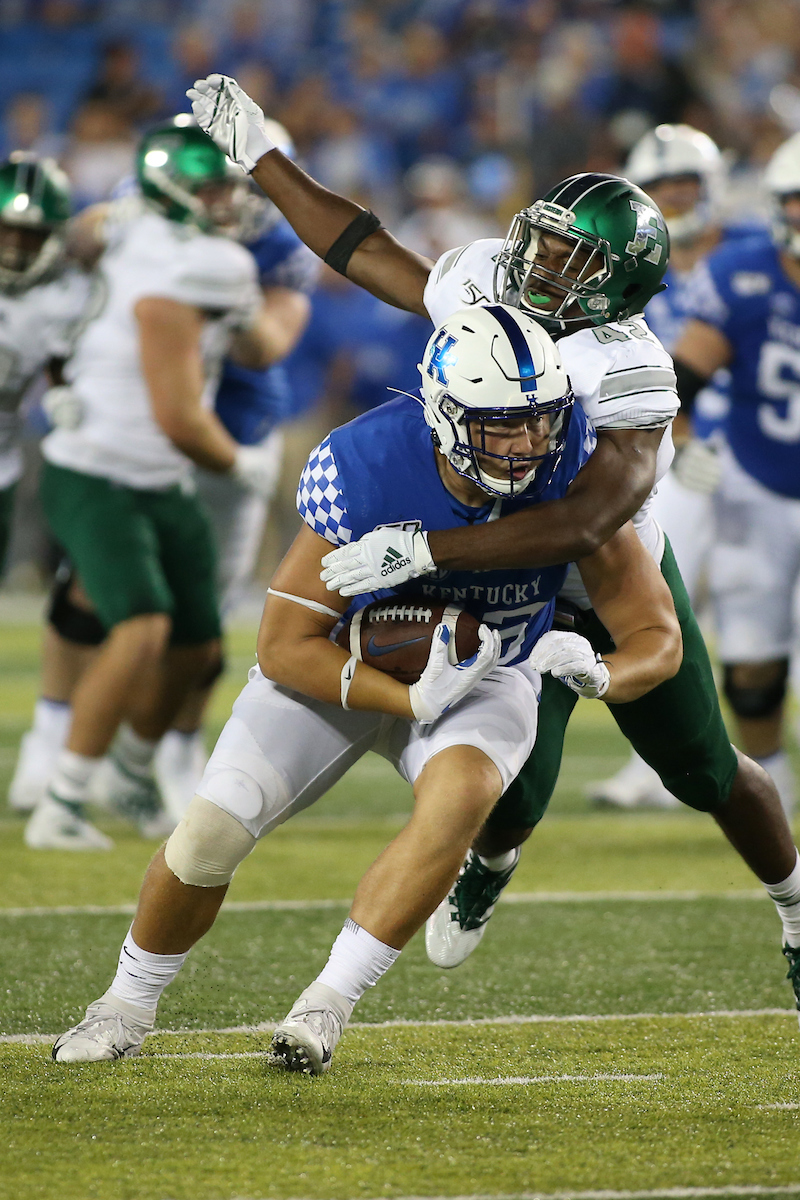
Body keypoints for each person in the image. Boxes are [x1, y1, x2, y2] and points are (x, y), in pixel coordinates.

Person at [181, 75, 800, 1006]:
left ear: (618, 286)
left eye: (570, 256)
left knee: (706, 769)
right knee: (506, 788)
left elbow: (588, 522)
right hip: (496, 564)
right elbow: (367, 252)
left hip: (598, 572)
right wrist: (264, 156)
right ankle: (490, 865)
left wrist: (427, 553)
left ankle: (795, 908)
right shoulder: (482, 280)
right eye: (544, 238)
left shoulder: (632, 368)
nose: (539, 260)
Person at [51, 305, 682, 1071]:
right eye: (500, 426)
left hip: (492, 672)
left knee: (459, 799)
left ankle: (326, 1005)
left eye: (538, 422)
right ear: (446, 417)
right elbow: (283, 647)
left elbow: (658, 635)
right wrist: (406, 699)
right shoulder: (366, 464)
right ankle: (123, 1004)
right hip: (347, 666)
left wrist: (604, 672)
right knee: (213, 830)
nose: (525, 444)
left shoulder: (575, 466)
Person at [8, 120, 320, 822]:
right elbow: (81, 242)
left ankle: (162, 755)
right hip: (136, 434)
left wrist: (221, 297)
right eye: (219, 184)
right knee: (93, 591)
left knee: (199, 617)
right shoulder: (151, 209)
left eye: (252, 182)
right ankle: (53, 740)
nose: (238, 199)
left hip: (232, 429)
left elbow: (266, 346)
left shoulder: (264, 244)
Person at [588, 123, 730, 810]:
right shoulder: (624, 264)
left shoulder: (749, 259)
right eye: (663, 188)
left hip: (753, 455)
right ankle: (662, 758)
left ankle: (742, 756)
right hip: (672, 458)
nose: (676, 199)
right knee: (663, 600)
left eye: (687, 185)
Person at [670, 129, 800, 824]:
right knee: (751, 663)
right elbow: (681, 381)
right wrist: (683, 441)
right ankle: (774, 792)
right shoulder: (742, 273)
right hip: (756, 478)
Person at [0, 153, 89, 576]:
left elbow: (60, 367)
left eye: (29, 236)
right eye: (8, 232)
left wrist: (61, 394)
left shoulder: (64, 297)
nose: (16, 247)